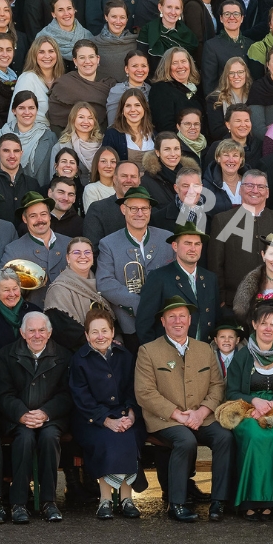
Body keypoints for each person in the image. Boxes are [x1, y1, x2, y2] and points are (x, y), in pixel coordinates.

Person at [135, 296, 233, 521]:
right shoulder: (148, 351)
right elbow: (145, 392)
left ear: (190, 320)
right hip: (165, 419)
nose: (177, 321)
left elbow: (217, 385)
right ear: (163, 321)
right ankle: (176, 504)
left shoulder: (204, 349)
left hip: (201, 416)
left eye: (182, 316)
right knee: (185, 440)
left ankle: (219, 502)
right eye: (172, 317)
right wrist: (177, 414)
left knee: (224, 437)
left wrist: (202, 412)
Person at [217, 304, 273, 520]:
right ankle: (249, 500)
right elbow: (232, 390)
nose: (268, 328)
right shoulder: (243, 356)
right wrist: (254, 401)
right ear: (254, 325)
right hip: (247, 410)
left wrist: (271, 404)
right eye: (263, 323)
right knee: (254, 435)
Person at [0, 313, 72, 523]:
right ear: (22, 332)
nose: (36, 335)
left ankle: (49, 501)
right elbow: (3, 393)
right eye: (31, 330)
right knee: (24, 439)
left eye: (41, 330)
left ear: (49, 333)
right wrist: (22, 414)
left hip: (52, 418)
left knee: (49, 439)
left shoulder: (64, 356)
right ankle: (18, 503)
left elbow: (67, 394)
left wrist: (45, 413)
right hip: (17, 418)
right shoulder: (6, 355)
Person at [67, 309, 142, 519]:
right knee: (107, 438)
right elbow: (82, 398)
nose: (100, 336)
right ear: (86, 335)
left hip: (123, 414)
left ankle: (127, 499)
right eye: (94, 332)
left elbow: (132, 390)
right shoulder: (79, 360)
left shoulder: (124, 356)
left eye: (104, 331)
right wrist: (106, 421)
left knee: (129, 434)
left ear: (112, 331)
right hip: (89, 419)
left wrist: (131, 415)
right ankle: (105, 500)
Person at [96, 186, 173, 346]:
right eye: (133, 208)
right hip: (130, 323)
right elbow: (105, 283)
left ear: (150, 210)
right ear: (123, 209)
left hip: (165, 322)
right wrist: (143, 305)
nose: (139, 213)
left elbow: (175, 275)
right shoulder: (108, 243)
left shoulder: (167, 238)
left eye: (144, 208)